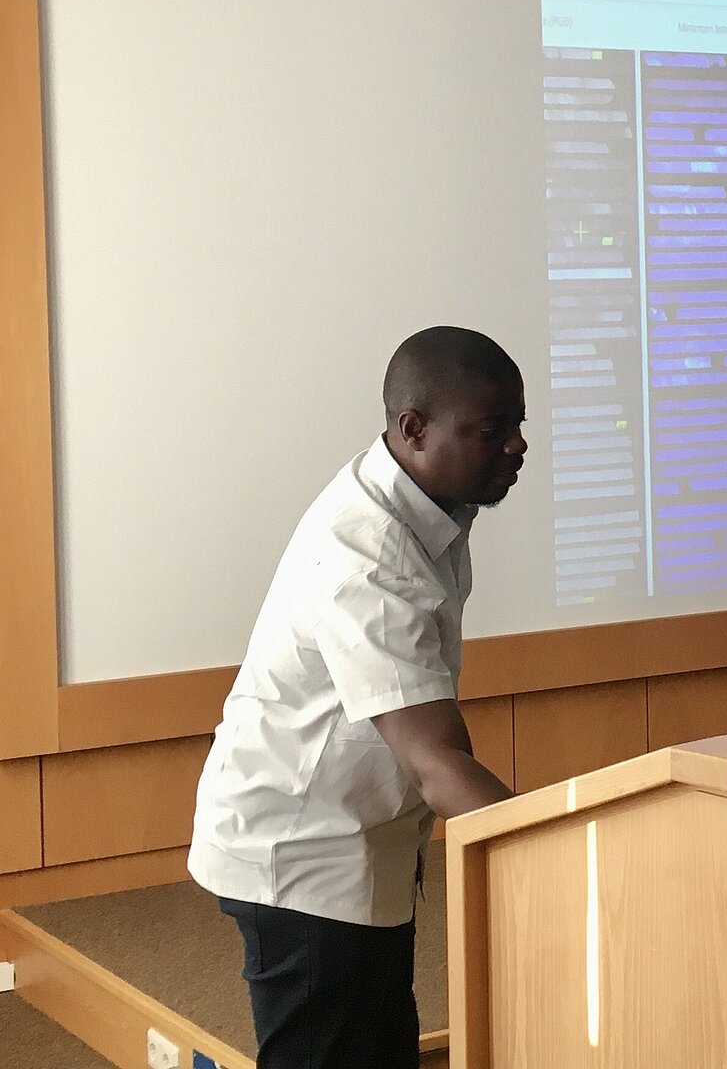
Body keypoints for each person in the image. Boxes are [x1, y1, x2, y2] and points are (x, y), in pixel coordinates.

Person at [188, 326, 525, 1068]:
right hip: (301, 856)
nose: (517, 447)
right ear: (413, 429)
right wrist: (564, 851)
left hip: (361, 844)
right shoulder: (367, 554)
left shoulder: (427, 506)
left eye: (520, 425)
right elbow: (437, 764)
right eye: (492, 430)